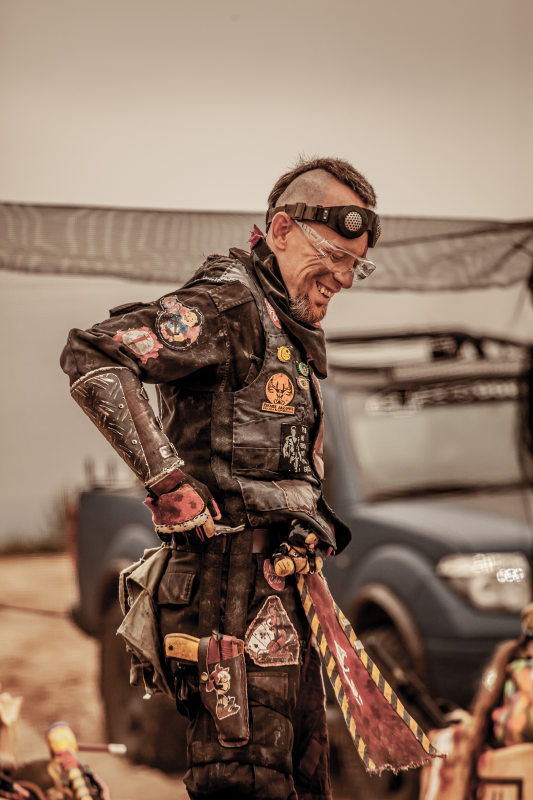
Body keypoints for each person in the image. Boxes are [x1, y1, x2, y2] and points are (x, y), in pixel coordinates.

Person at [60, 156, 380, 800]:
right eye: (333, 255)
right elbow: (95, 356)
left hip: (282, 596)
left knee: (299, 782)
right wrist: (168, 482)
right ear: (281, 230)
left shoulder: (283, 321)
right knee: (246, 786)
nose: (344, 277)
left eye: (357, 265)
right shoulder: (228, 307)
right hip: (227, 598)